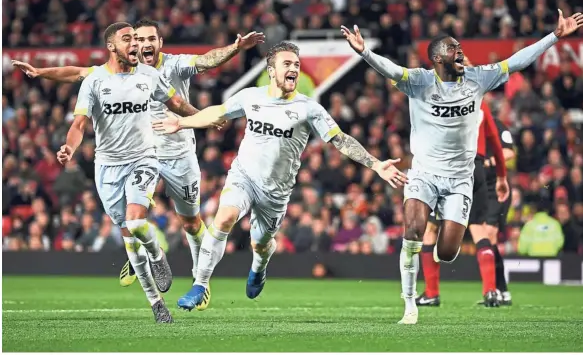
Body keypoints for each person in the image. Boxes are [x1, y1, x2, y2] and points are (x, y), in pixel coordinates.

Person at [341, 9, 583, 324]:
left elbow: (519, 60)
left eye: (461, 49)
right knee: (414, 230)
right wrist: (364, 52)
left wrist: (554, 36)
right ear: (437, 59)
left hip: (461, 179)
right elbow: (391, 70)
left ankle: (439, 245)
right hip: (425, 174)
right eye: (454, 50)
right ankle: (409, 305)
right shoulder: (418, 82)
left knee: (446, 253)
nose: (461, 54)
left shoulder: (478, 78)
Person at [12, 19, 265, 310]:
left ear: (160, 43)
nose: (142, 44)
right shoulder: (112, 74)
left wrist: (234, 49)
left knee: (191, 221)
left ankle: (200, 280)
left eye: (148, 39)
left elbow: (207, 61)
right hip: (141, 154)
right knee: (131, 219)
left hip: (178, 153)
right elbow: (78, 74)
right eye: (137, 39)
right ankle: (141, 258)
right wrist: (41, 72)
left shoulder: (174, 66)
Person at [152, 41, 409, 311]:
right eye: (287, 64)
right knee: (224, 217)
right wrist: (181, 122)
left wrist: (376, 164)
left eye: (297, 65)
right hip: (244, 177)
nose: (294, 69)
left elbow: (340, 140)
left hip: (276, 192)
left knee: (260, 244)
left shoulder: (309, 109)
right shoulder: (251, 97)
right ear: (271, 70)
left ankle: (259, 266)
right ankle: (200, 285)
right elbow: (217, 112)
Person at [56, 21, 206, 323]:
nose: (135, 45)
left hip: (144, 159)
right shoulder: (95, 81)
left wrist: (204, 117)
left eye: (137, 41)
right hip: (108, 166)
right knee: (127, 236)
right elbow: (80, 124)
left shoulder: (150, 76)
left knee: (138, 223)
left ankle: (156, 254)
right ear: (112, 46)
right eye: (128, 40)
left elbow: (176, 103)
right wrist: (69, 148)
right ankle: (155, 303)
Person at [416, 99, 509, 308]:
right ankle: (491, 291)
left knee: (431, 229)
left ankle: (432, 293)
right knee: (478, 228)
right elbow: (494, 140)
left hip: (447, 167)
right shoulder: (480, 102)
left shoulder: (443, 98)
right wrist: (502, 176)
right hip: (476, 168)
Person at [483, 117, 515, 305]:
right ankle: (499, 290)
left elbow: (509, 152)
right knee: (487, 239)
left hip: (496, 189)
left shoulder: (496, 125)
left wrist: (489, 162)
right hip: (478, 189)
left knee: (488, 235)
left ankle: (498, 289)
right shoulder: (464, 122)